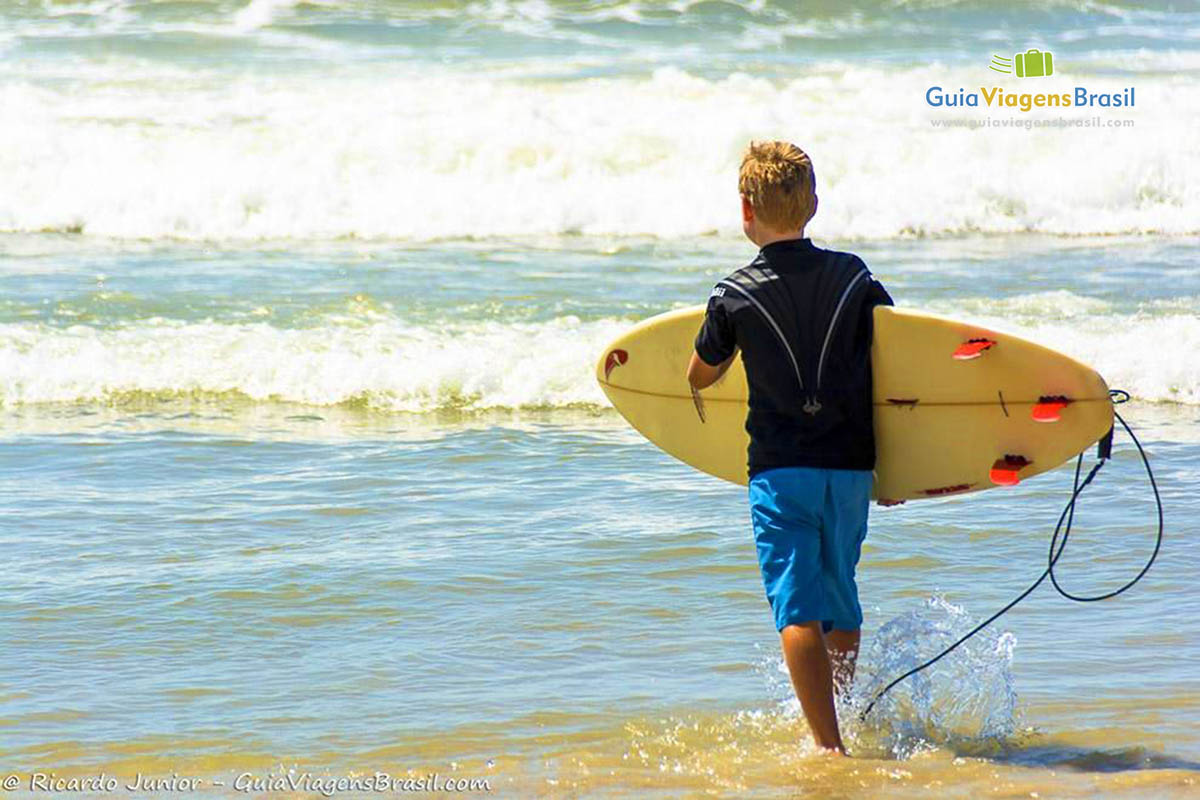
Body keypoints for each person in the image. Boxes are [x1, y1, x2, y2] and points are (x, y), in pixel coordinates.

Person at [686, 140, 902, 755]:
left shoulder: (733, 294)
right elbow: (892, 360)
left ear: (745, 211)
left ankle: (828, 746)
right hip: (851, 467)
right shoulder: (855, 276)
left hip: (781, 471)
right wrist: (903, 468)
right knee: (839, 596)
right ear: (813, 204)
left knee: (796, 609)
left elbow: (701, 372)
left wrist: (698, 372)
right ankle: (843, 716)